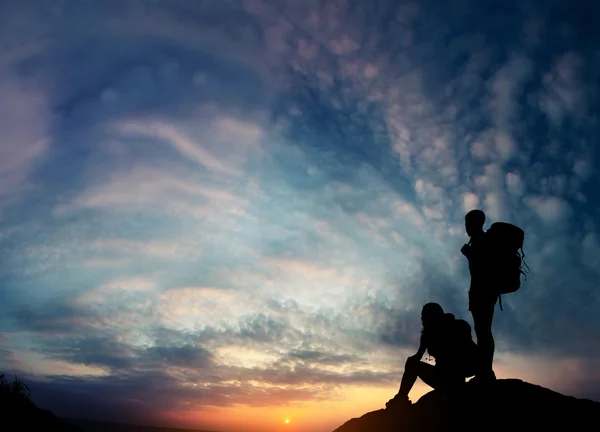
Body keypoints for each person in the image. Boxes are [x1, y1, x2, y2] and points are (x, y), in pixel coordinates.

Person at [386, 303, 477, 408]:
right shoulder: (427, 334)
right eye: (422, 316)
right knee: (411, 362)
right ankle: (401, 397)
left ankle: (401, 398)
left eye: (424, 315)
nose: (422, 318)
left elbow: (472, 352)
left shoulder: (459, 326)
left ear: (433, 315)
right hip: (441, 377)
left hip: (457, 378)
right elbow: (417, 357)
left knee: (413, 363)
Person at [460, 209, 498, 382]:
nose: (466, 227)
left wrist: (468, 255)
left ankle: (486, 372)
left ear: (477, 223)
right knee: (482, 331)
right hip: (485, 292)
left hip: (482, 292)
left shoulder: (481, 241)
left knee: (483, 332)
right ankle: (485, 370)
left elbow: (481, 268)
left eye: (468, 223)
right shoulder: (480, 241)